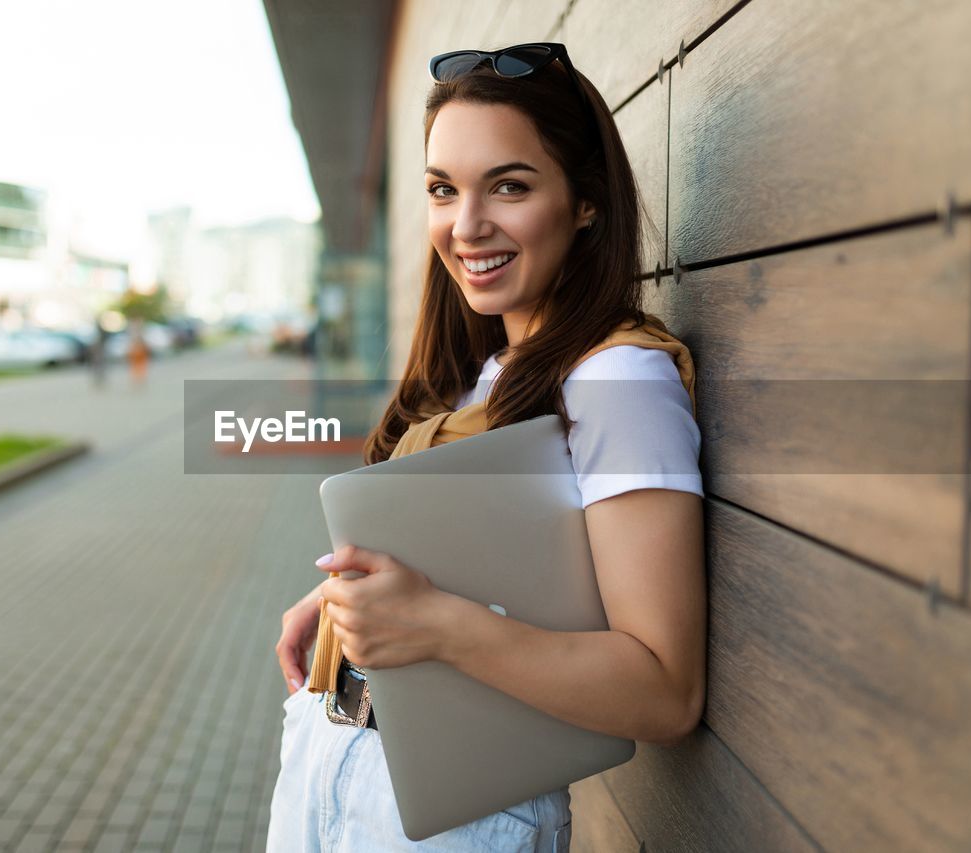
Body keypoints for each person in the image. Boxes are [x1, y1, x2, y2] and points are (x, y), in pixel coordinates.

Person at [269, 43, 706, 852]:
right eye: (443, 189)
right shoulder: (479, 370)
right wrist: (345, 606)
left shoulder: (618, 380)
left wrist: (434, 625)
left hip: (455, 814)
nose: (466, 227)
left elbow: (666, 691)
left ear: (585, 201)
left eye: (508, 185)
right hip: (330, 756)